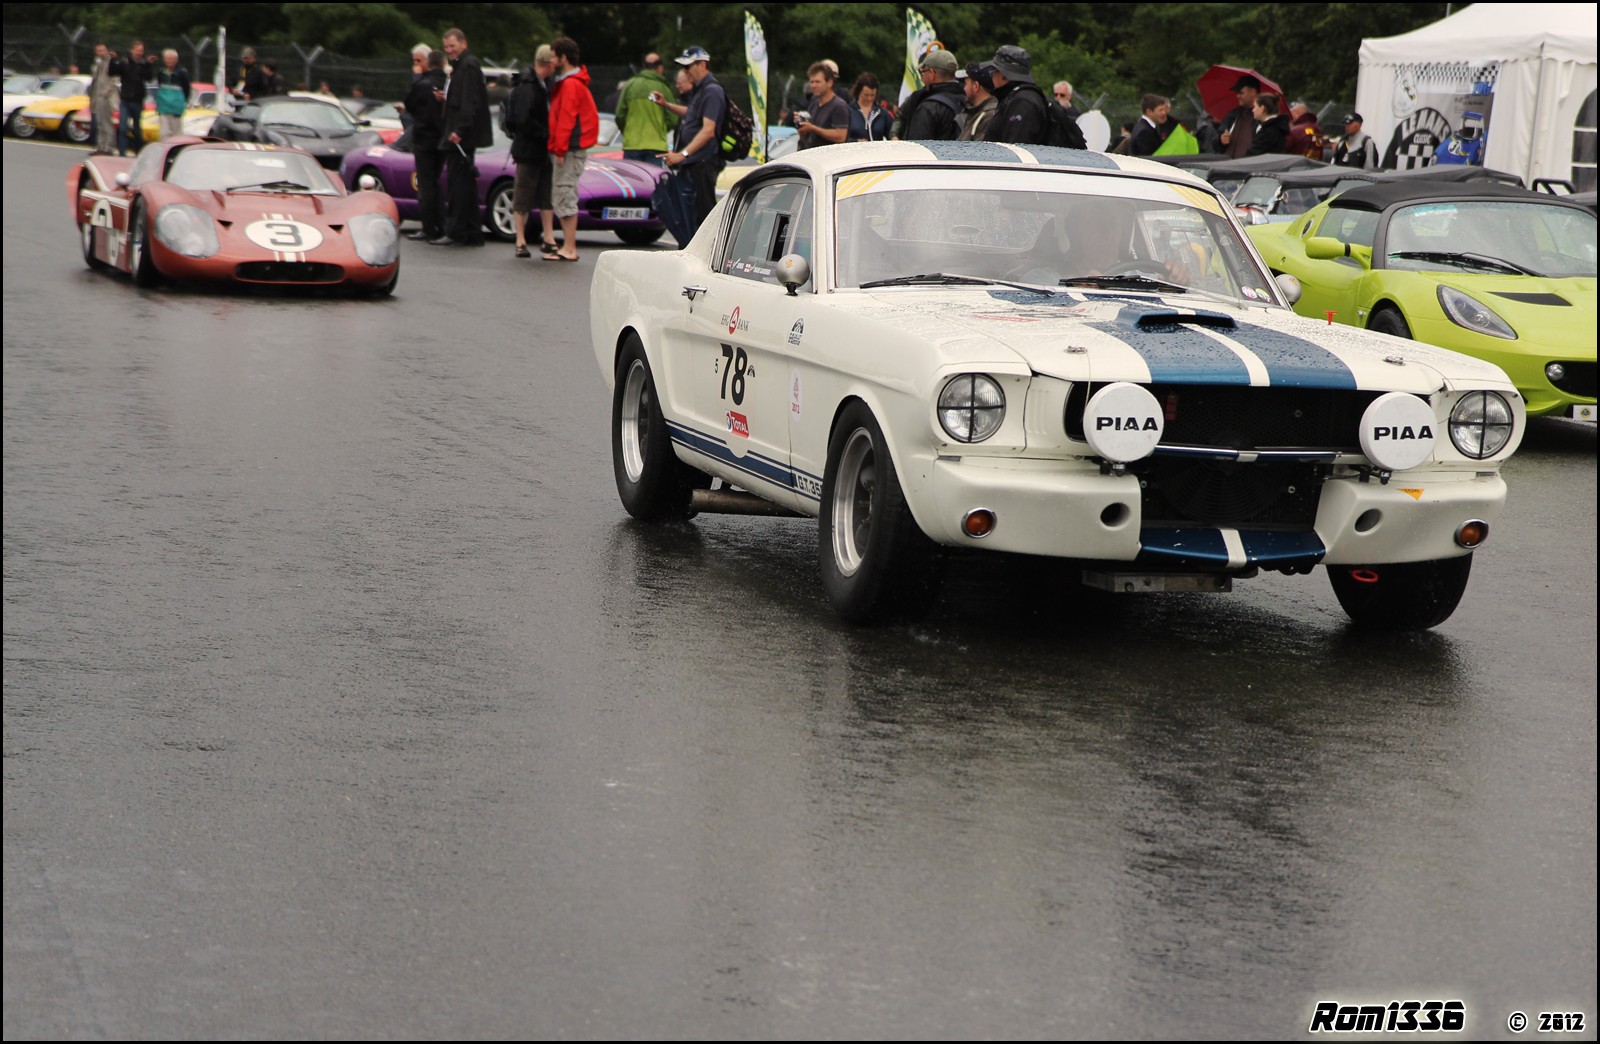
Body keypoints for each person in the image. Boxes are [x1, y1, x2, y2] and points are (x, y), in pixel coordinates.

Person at [657, 46, 725, 236]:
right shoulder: (700, 90)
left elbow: (708, 130)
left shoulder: (712, 90)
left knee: (703, 218)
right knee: (689, 216)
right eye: (684, 67)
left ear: (702, 64)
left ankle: (705, 259)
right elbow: (692, 114)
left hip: (703, 162)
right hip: (693, 163)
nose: (685, 72)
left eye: (688, 67)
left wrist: (683, 154)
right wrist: (666, 105)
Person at [435, 28, 492, 247]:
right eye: (446, 47)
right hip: (462, 133)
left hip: (461, 136)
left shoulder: (467, 66)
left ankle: (457, 230)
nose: (449, 50)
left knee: (458, 184)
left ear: (463, 43)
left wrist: (460, 129)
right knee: (465, 183)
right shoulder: (463, 66)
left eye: (452, 46)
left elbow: (470, 101)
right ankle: (472, 231)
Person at [545, 37, 598, 262]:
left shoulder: (570, 84)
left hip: (569, 150)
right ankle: (567, 245)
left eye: (555, 56)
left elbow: (566, 118)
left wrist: (559, 149)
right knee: (563, 193)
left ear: (564, 57)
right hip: (569, 149)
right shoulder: (572, 82)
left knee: (565, 193)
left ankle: (569, 247)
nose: (552, 60)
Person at [509, 46, 554, 258]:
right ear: (547, 63)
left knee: (546, 194)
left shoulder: (544, 84)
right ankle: (520, 239)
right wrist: (545, 134)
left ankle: (549, 237)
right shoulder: (528, 86)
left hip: (542, 149)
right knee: (523, 194)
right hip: (529, 148)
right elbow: (523, 119)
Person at [402, 50, 447, 241]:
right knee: (434, 183)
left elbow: (410, 104)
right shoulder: (447, 84)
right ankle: (442, 224)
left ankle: (429, 227)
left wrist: (417, 77)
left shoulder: (422, 85)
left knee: (426, 185)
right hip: (441, 139)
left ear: (428, 63)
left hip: (424, 139)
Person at [615, 52, 677, 165]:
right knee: (652, 181)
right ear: (660, 68)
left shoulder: (630, 84)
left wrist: (628, 131)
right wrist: (661, 127)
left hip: (632, 144)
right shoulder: (663, 87)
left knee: (632, 180)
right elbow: (673, 119)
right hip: (656, 145)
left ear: (644, 66)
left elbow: (619, 115)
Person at [983, 45, 1050, 145]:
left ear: (1003, 75)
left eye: (993, 71)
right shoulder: (1014, 98)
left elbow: (1017, 151)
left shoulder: (1023, 103)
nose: (991, 75)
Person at [897, 49, 964, 141]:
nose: (922, 78)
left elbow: (919, 147)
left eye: (923, 73)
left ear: (932, 73)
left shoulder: (928, 107)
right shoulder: (969, 100)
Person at [109, 41, 155, 156]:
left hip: (137, 101)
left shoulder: (143, 65)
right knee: (123, 127)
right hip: (125, 100)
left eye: (141, 51)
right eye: (137, 50)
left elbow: (149, 78)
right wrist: (113, 60)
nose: (139, 53)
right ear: (132, 50)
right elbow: (112, 72)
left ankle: (138, 151)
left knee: (137, 129)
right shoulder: (125, 63)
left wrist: (149, 64)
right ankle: (122, 152)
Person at [796, 62, 849, 149]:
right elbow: (809, 137)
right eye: (812, 82)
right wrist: (802, 127)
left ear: (829, 83)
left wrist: (813, 128)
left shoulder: (839, 106)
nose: (813, 85)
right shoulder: (814, 104)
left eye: (818, 82)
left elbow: (841, 136)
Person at [153, 50, 192, 141]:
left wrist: (182, 102)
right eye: (167, 59)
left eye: (171, 59)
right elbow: (159, 86)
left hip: (176, 108)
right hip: (163, 107)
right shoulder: (161, 72)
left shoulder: (182, 72)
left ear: (176, 60)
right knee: (164, 132)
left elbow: (187, 89)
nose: (168, 61)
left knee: (176, 133)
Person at [1219, 74, 1259, 157]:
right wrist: (1221, 139)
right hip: (1229, 166)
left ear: (1253, 92)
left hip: (1251, 166)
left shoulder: (1263, 118)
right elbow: (1218, 137)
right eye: (1237, 93)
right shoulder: (1233, 115)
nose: (1238, 96)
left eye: (1241, 92)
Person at [88, 42, 117, 154]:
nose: (101, 53)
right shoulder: (97, 64)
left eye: (103, 50)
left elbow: (114, 80)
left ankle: (109, 147)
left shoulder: (111, 62)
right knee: (99, 122)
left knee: (106, 122)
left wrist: (106, 92)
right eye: (99, 51)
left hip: (106, 97)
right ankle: (101, 146)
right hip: (96, 96)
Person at [956, 62, 997, 142]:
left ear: (976, 86)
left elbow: (979, 152)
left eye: (966, 84)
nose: (964, 88)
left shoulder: (988, 116)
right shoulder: (978, 113)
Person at [846, 73, 893, 141]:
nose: (869, 99)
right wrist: (855, 141)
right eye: (866, 95)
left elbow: (892, 133)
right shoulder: (847, 111)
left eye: (872, 95)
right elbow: (840, 137)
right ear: (858, 91)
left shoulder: (882, 113)